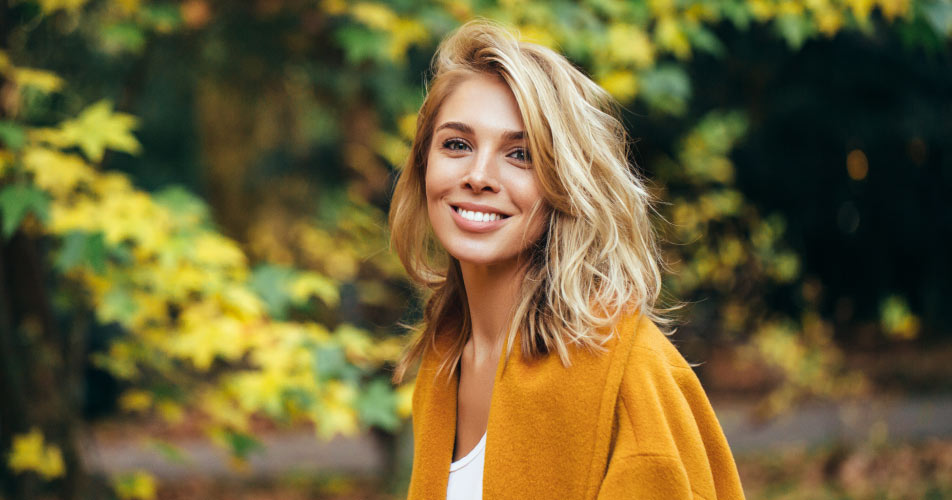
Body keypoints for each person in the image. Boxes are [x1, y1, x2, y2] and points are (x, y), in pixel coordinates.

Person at [389, 19, 745, 500]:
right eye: (457, 144)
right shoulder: (444, 361)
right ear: (422, 165)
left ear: (565, 183)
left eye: (521, 154)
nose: (478, 175)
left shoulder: (630, 373)